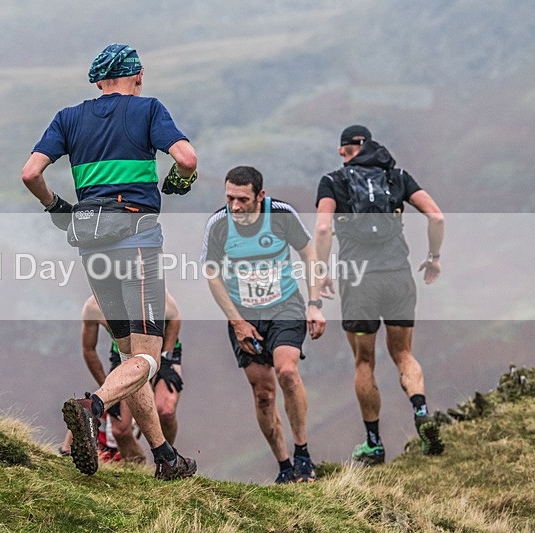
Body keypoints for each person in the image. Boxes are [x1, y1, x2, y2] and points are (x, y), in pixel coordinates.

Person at [22, 43, 198, 480]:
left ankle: (165, 457)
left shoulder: (68, 118)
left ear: (99, 81)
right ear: (138, 76)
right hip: (136, 240)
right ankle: (93, 406)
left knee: (126, 353)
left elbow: (30, 173)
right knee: (148, 358)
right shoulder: (148, 109)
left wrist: (55, 206)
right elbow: (187, 159)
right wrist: (181, 180)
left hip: (92, 244)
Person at [314, 125, 446, 465]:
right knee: (403, 353)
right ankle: (421, 411)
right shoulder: (396, 176)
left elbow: (324, 227)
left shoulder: (333, 181)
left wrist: (322, 270)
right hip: (398, 276)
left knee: (364, 361)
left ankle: (374, 443)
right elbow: (436, 217)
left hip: (359, 283)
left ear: (345, 151)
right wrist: (434, 257)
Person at [201, 166, 326, 483]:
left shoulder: (281, 214)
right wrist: (237, 322)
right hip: (244, 315)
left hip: (285, 305)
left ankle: (302, 454)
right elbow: (212, 274)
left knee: (287, 371)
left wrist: (314, 304)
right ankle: (284, 466)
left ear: (260, 196)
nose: (235, 206)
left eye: (242, 199)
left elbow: (309, 254)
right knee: (263, 395)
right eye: (229, 198)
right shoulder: (219, 224)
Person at [59, 291, 185, 462]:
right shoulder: (93, 308)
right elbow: (88, 349)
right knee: (120, 430)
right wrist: (109, 389)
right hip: (124, 354)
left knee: (166, 411)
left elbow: (175, 317)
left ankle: (168, 461)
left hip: (162, 350)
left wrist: (166, 357)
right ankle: (137, 470)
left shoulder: (149, 291)